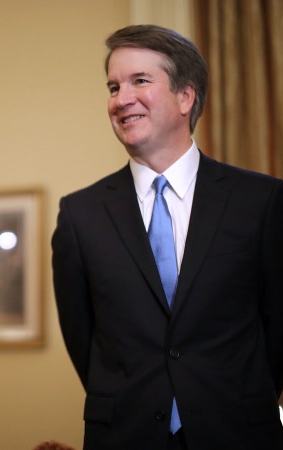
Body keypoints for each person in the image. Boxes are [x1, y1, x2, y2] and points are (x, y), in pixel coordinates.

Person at [52, 24, 283, 450]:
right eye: (113, 86)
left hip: (238, 433)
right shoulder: (80, 215)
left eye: (140, 81)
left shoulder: (262, 201)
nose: (121, 99)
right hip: (125, 435)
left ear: (185, 96)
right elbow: (84, 341)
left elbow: (279, 328)